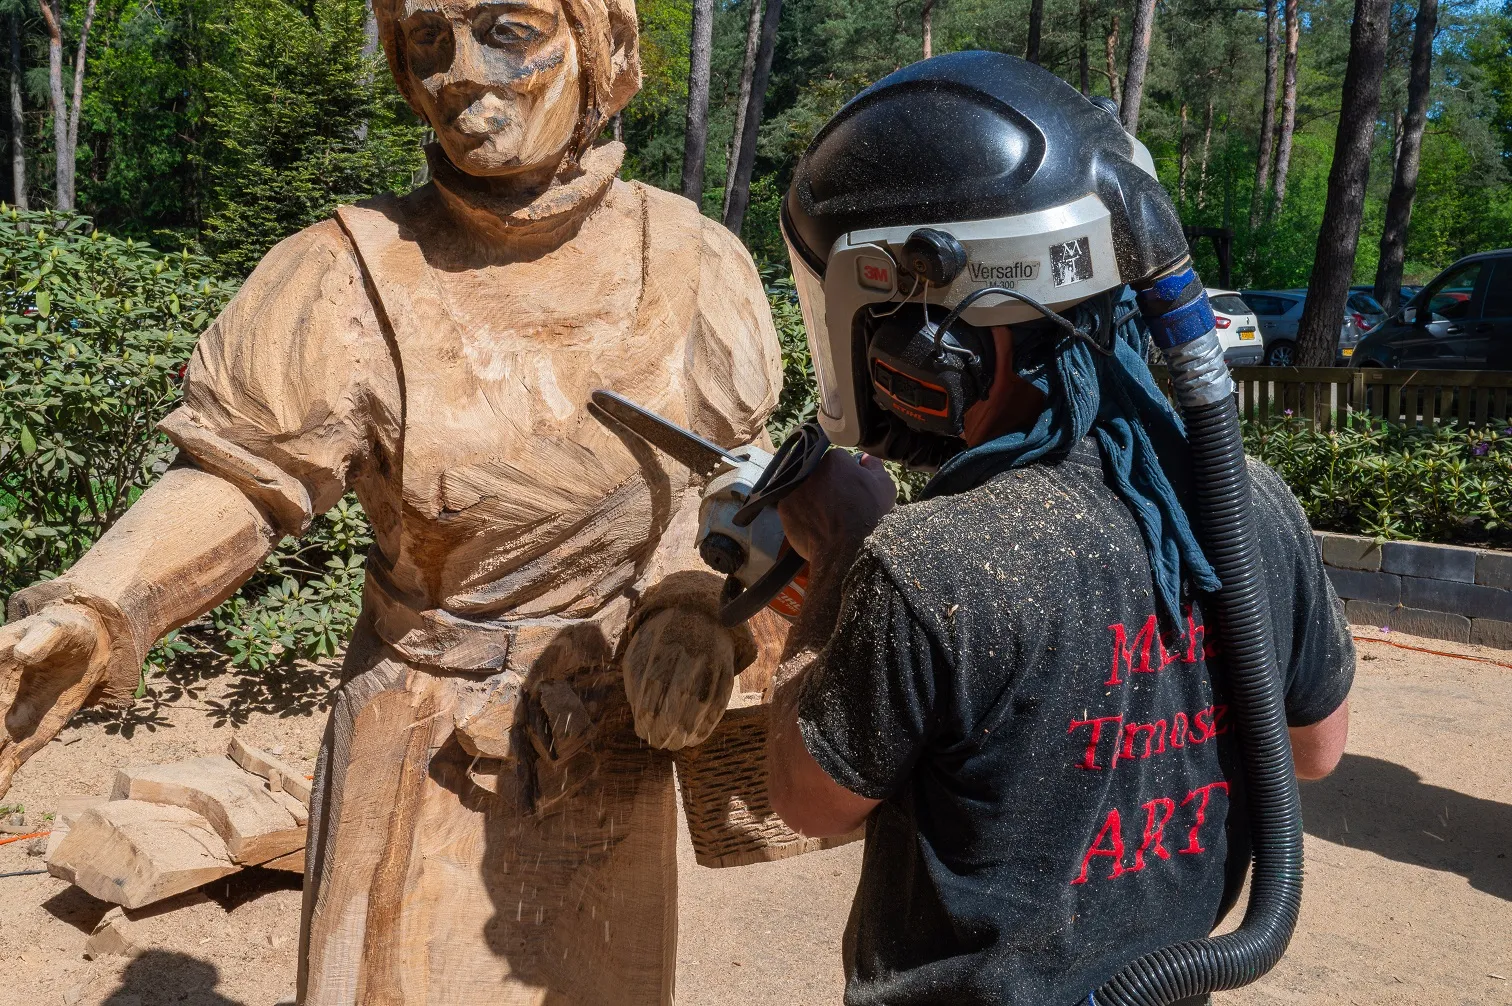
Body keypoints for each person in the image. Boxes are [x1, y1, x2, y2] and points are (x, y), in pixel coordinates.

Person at [0, 1, 781, 1002]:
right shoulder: (349, 271)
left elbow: (726, 481)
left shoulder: (692, 260)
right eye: (428, 41)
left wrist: (689, 605)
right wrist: (102, 603)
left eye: (508, 29)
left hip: (612, 733)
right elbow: (241, 473)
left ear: (601, 50)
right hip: (417, 746)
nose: (461, 71)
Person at [765, 53, 1353, 1006]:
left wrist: (837, 557)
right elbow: (1317, 751)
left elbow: (808, 799)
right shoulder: (1251, 502)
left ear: (939, 344)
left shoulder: (932, 560)